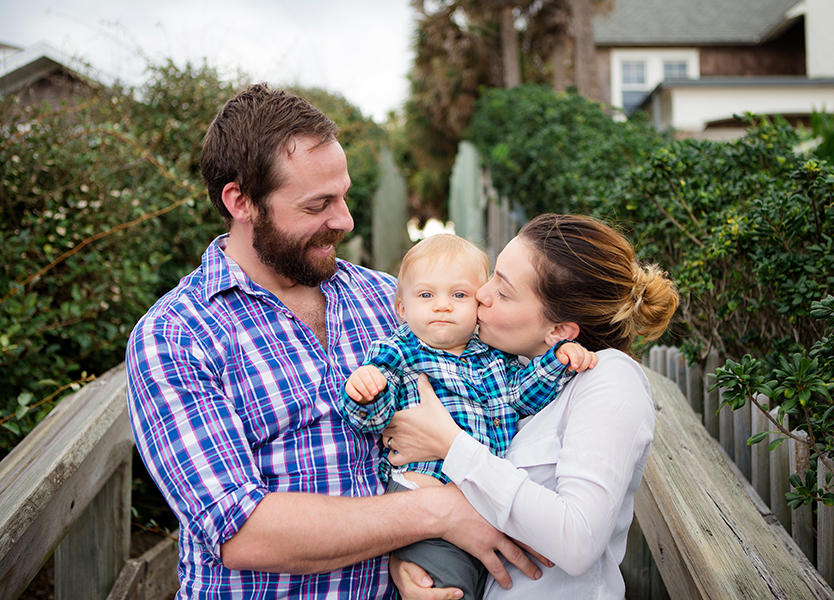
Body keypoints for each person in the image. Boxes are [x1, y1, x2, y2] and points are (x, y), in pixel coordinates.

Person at [125, 83, 545, 599]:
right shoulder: (177, 335)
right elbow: (239, 530)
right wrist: (436, 514)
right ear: (241, 202)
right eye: (318, 204)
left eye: (344, 195)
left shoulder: (388, 299)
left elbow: (500, 380)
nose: (343, 220)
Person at [385, 213, 680, 599]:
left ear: (558, 331)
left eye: (503, 292)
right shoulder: (503, 367)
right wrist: (418, 555)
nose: (481, 294)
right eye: (492, 275)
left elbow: (578, 540)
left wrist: (451, 444)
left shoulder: (609, 379)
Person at [338, 233, 596, 599]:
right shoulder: (398, 351)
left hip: (481, 491)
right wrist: (366, 390)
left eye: (458, 295)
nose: (442, 306)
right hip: (423, 489)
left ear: (478, 304)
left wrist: (557, 363)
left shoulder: (493, 356)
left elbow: (522, 396)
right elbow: (373, 421)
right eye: (426, 295)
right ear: (401, 308)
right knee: (446, 580)